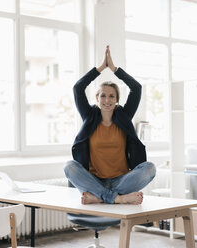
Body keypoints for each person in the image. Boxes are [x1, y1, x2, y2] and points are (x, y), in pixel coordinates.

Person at [64, 45, 156, 205]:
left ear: (117, 99)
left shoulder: (124, 117)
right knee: (69, 167)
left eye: (112, 96)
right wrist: (100, 68)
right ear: (97, 98)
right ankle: (118, 198)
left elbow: (136, 88)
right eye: (103, 96)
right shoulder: (89, 116)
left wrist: (114, 69)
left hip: (121, 181)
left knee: (150, 168)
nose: (107, 100)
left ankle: (101, 197)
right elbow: (78, 88)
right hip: (94, 180)